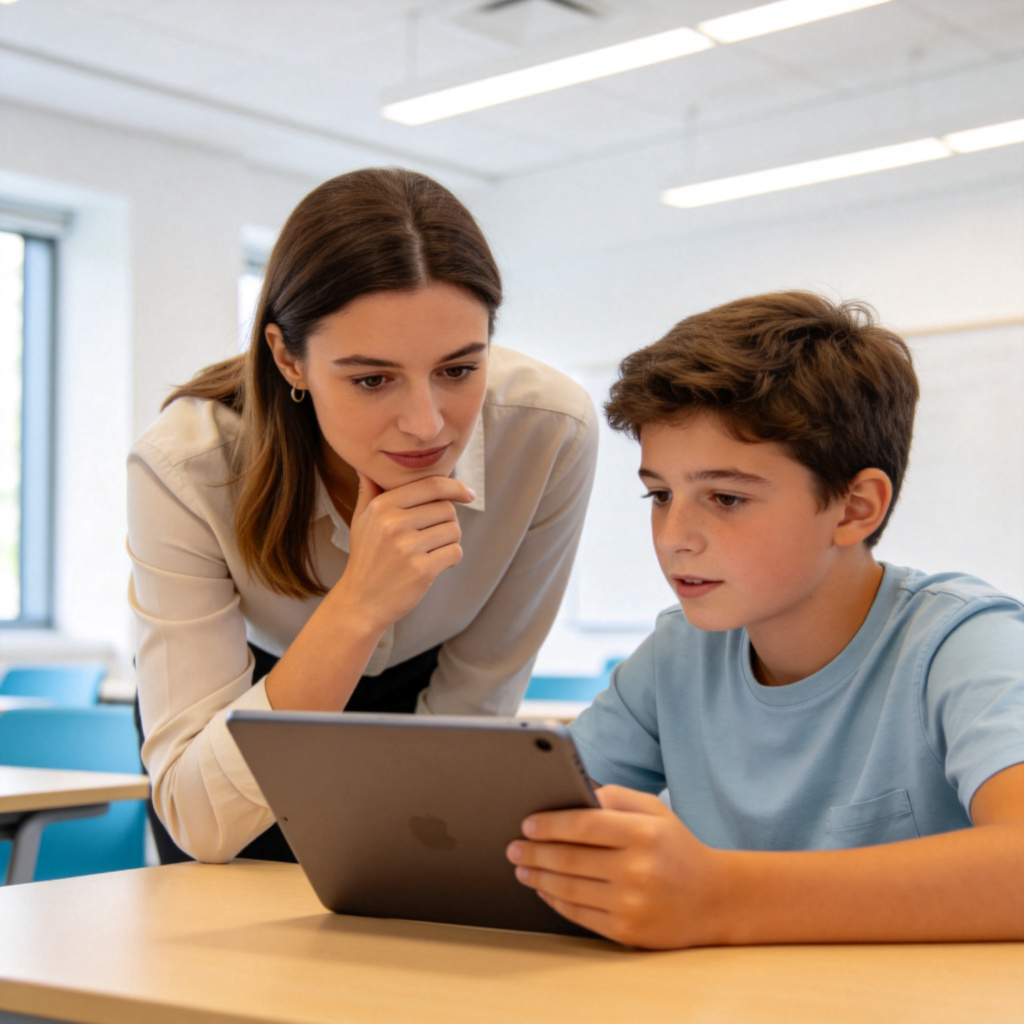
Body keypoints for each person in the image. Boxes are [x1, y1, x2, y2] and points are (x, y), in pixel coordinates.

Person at [506, 291, 1024, 948]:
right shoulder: (678, 653)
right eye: (660, 494)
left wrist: (719, 898)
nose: (673, 537)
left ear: (855, 509)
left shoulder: (965, 643)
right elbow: (516, 827)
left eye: (725, 498)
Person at [128, 167, 597, 864]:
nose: (426, 424)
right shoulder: (186, 465)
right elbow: (200, 819)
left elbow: (477, 697)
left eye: (459, 370)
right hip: (251, 700)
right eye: (372, 379)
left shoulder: (549, 431)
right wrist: (359, 606)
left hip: (432, 705)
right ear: (289, 358)